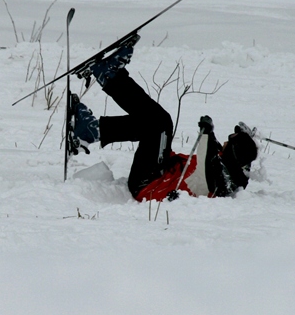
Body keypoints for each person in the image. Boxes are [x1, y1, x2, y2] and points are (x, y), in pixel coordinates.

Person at [70, 39, 258, 202]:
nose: (224, 143)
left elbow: (207, 162)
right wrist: (244, 138)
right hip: (160, 169)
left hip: (150, 183)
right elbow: (234, 161)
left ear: (234, 153)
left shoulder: (219, 179)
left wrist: (208, 134)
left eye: (229, 143)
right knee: (154, 123)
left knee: (160, 123)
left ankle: (109, 79)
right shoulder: (231, 171)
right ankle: (104, 94)